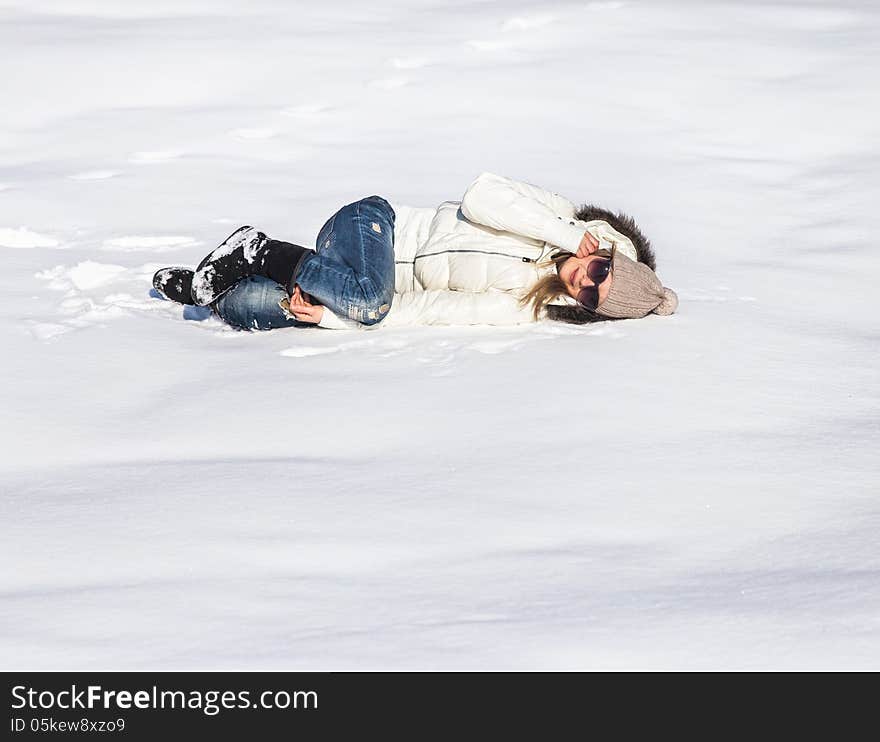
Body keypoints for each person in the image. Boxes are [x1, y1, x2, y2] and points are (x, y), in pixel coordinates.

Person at [152, 171, 678, 331]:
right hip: (373, 226)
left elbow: (430, 309)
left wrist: (331, 319)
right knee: (367, 304)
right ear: (607, 249)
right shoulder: (558, 217)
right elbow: (482, 195)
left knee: (263, 310)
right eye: (600, 269)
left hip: (355, 281)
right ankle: (255, 249)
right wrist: (563, 234)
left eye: (591, 295)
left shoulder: (526, 307)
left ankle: (202, 288)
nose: (582, 279)